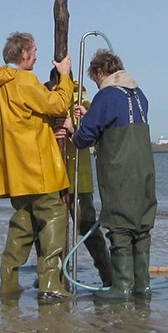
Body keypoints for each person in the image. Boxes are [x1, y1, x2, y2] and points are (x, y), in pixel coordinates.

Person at [0, 32, 74, 303]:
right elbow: (56, 105)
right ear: (23, 54)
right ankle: (49, 283)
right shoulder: (23, 80)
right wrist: (65, 77)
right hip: (37, 167)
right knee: (54, 217)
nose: (36, 55)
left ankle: (8, 281)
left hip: (15, 172)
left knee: (22, 223)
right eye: (34, 51)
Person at [66, 49, 157, 300]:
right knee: (141, 227)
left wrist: (74, 128)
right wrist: (92, 116)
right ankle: (142, 287)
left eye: (95, 79)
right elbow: (114, 120)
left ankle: (121, 288)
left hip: (119, 171)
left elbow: (83, 139)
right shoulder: (140, 95)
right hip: (145, 172)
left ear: (100, 72)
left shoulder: (106, 95)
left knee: (120, 228)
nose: (97, 84)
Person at [49, 84, 113, 290]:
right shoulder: (45, 101)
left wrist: (74, 128)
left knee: (88, 228)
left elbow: (94, 137)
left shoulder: (83, 106)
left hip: (79, 180)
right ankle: (53, 278)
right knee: (50, 231)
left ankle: (108, 276)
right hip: (51, 180)